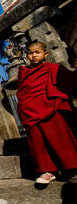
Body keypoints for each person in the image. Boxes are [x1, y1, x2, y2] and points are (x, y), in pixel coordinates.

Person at [16, 42, 77, 184]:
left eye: (37, 52)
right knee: (38, 142)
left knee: (60, 138)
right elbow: (23, 93)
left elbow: (69, 84)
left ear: (46, 54)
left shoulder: (54, 68)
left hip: (51, 108)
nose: (34, 55)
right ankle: (48, 171)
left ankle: (71, 168)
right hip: (31, 111)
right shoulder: (24, 73)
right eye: (30, 53)